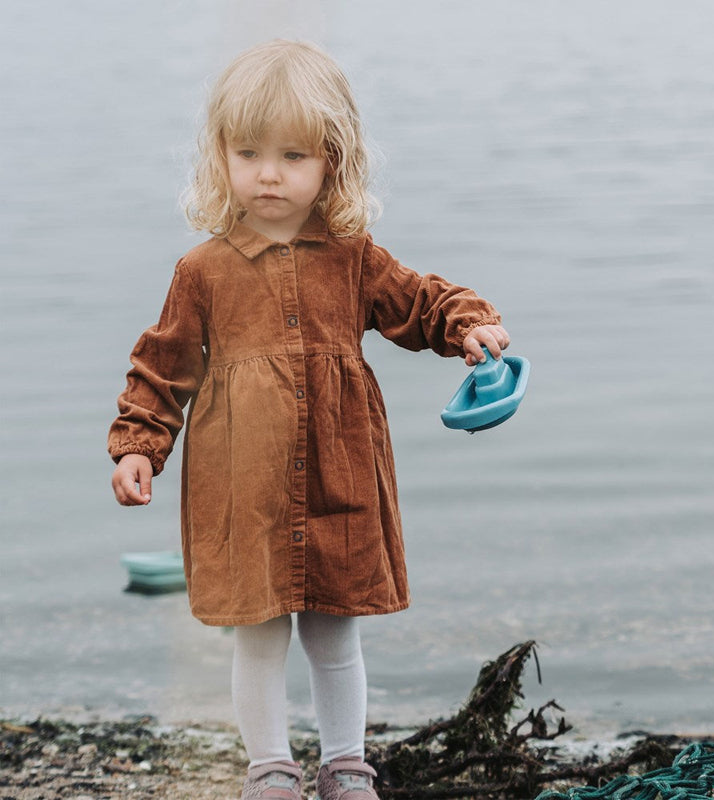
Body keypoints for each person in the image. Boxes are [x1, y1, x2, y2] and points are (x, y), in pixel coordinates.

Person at [109, 40, 510, 800]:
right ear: (221, 156)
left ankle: (345, 764)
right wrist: (138, 446)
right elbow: (162, 368)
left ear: (333, 160)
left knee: (334, 631)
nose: (268, 174)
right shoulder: (203, 271)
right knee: (258, 634)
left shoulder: (353, 258)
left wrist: (469, 324)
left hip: (339, 474)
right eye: (249, 154)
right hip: (244, 486)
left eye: (292, 155)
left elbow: (419, 302)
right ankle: (269, 769)